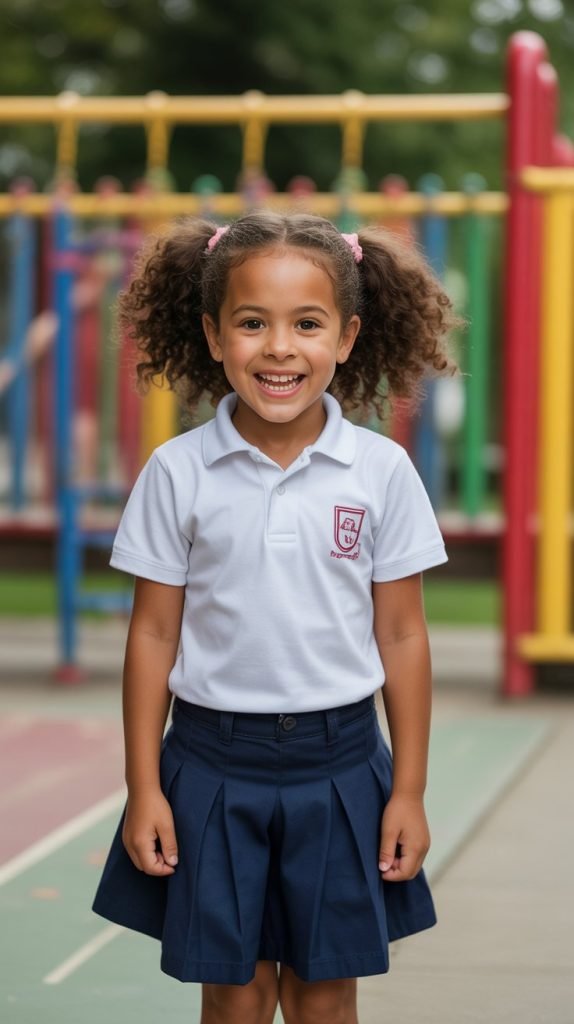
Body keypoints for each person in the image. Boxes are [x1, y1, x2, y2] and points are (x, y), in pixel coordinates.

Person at [93, 211, 457, 1024]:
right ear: (214, 336)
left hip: (344, 763)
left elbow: (402, 634)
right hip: (210, 764)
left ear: (349, 335)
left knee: (326, 997)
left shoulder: (381, 471)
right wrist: (143, 786)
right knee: (235, 993)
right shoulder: (177, 472)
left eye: (307, 324)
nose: (280, 347)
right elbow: (152, 635)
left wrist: (410, 791)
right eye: (253, 323)